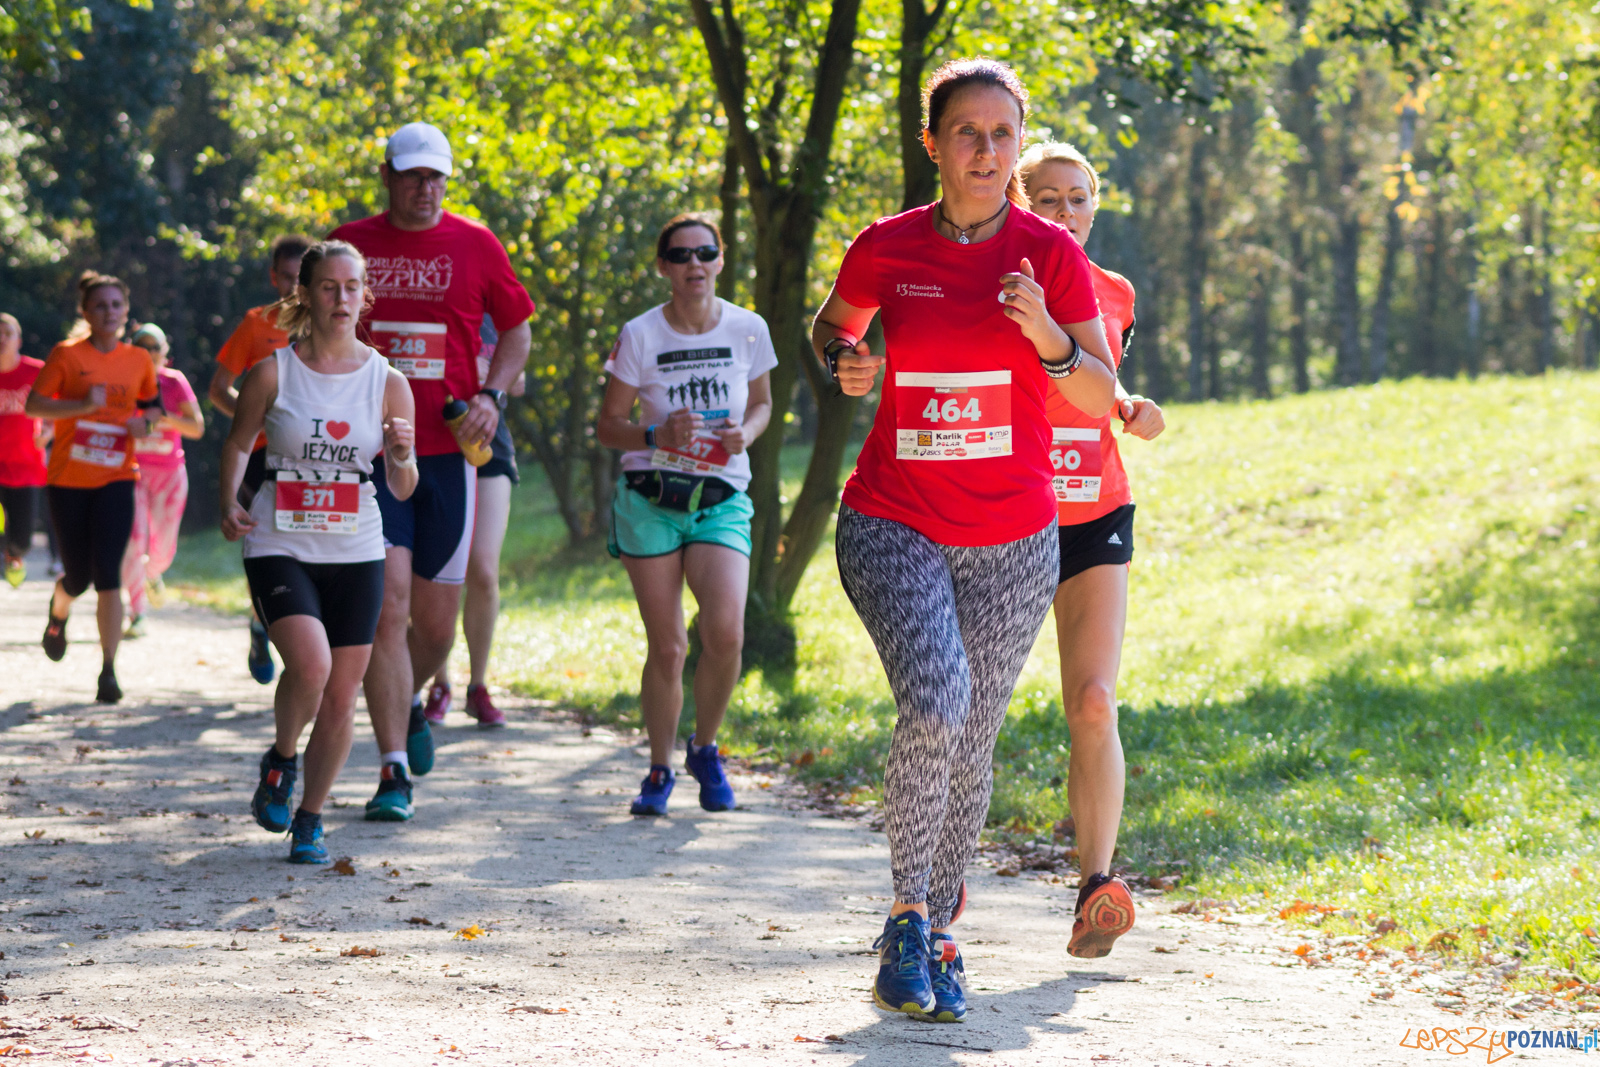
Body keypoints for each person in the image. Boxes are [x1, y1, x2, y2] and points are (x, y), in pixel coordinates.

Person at [813, 59, 1116, 1023]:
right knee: (938, 701)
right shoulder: (887, 246)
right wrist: (847, 363)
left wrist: (1049, 338)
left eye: (1002, 135)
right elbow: (835, 326)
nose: (986, 152)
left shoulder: (1048, 256)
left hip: (1015, 536)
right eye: (967, 134)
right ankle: (906, 918)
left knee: (974, 733)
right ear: (934, 142)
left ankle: (940, 928)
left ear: (1019, 147)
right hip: (893, 516)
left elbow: (1098, 395)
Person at [330, 121, 533, 822]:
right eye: (412, 175)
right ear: (386, 175)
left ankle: (410, 695)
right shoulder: (350, 245)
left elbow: (516, 328)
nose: (425, 188)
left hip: (448, 455)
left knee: (435, 625)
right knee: (387, 605)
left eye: (436, 177)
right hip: (368, 452)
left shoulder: (476, 244)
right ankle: (391, 768)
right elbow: (314, 328)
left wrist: (490, 395)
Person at [219, 240, 418, 863]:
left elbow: (402, 486)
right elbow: (237, 442)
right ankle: (282, 759)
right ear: (304, 293)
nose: (342, 299)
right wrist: (228, 501)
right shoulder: (275, 371)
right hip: (280, 539)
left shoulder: (389, 382)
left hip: (356, 546)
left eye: (353, 287)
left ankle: (309, 817)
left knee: (340, 694)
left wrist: (405, 454)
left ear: (366, 295)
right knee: (311, 667)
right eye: (329, 287)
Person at [1019, 142, 1166, 959]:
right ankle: (935, 882)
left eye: (1078, 198)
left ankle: (1096, 885)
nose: (1065, 212)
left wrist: (1132, 408)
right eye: (1046, 198)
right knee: (967, 704)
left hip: (1095, 509)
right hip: (1003, 510)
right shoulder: (995, 285)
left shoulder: (1117, 291)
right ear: (1019, 201)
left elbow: (1098, 381)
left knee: (1095, 703)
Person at [596, 213, 776, 817]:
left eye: (705, 253)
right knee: (669, 646)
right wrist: (654, 431)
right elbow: (606, 427)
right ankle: (659, 768)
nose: (694, 264)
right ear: (663, 267)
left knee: (725, 633)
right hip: (650, 500)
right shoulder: (641, 335)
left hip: (720, 496)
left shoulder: (749, 329)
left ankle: (705, 746)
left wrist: (743, 436)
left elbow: (762, 404)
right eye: (680, 256)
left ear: (721, 260)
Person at [25, 272, 160, 703]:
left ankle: (108, 671)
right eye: (99, 306)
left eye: (116, 305)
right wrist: (83, 405)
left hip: (118, 475)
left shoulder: (138, 359)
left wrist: (147, 423)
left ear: (126, 311)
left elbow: (152, 406)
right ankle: (58, 613)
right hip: (68, 478)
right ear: (85, 312)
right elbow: (34, 404)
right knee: (79, 576)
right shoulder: (66, 355)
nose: (109, 312)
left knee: (108, 574)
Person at [212, 235, 313, 684]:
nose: (294, 288)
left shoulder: (329, 323)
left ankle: (284, 629)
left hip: (316, 457)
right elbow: (218, 389)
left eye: (302, 278)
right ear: (274, 277)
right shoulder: (257, 324)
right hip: (261, 458)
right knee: (270, 545)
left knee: (311, 549)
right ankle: (262, 623)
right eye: (286, 278)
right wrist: (254, 418)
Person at [422, 317, 525, 728]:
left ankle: (478, 686)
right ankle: (439, 683)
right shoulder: (430, 301)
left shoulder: (496, 319)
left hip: (488, 448)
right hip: (432, 447)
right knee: (436, 569)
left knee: (482, 568)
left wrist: (485, 379)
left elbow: (517, 384)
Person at [120, 323, 204, 637]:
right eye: (143, 346)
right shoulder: (125, 382)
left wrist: (160, 417)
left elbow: (196, 428)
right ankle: (137, 613)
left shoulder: (174, 381)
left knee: (163, 551)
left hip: (170, 474)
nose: (149, 353)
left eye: (155, 347)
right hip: (133, 473)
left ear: (164, 352)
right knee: (134, 541)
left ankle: (152, 574)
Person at [1, 312, 49, 588]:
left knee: (22, 538)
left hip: (26, 466)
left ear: (19, 340)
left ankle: (14, 553)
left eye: (8, 333)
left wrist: (51, 432)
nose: (2, 338)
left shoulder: (36, 372)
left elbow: (58, 409)